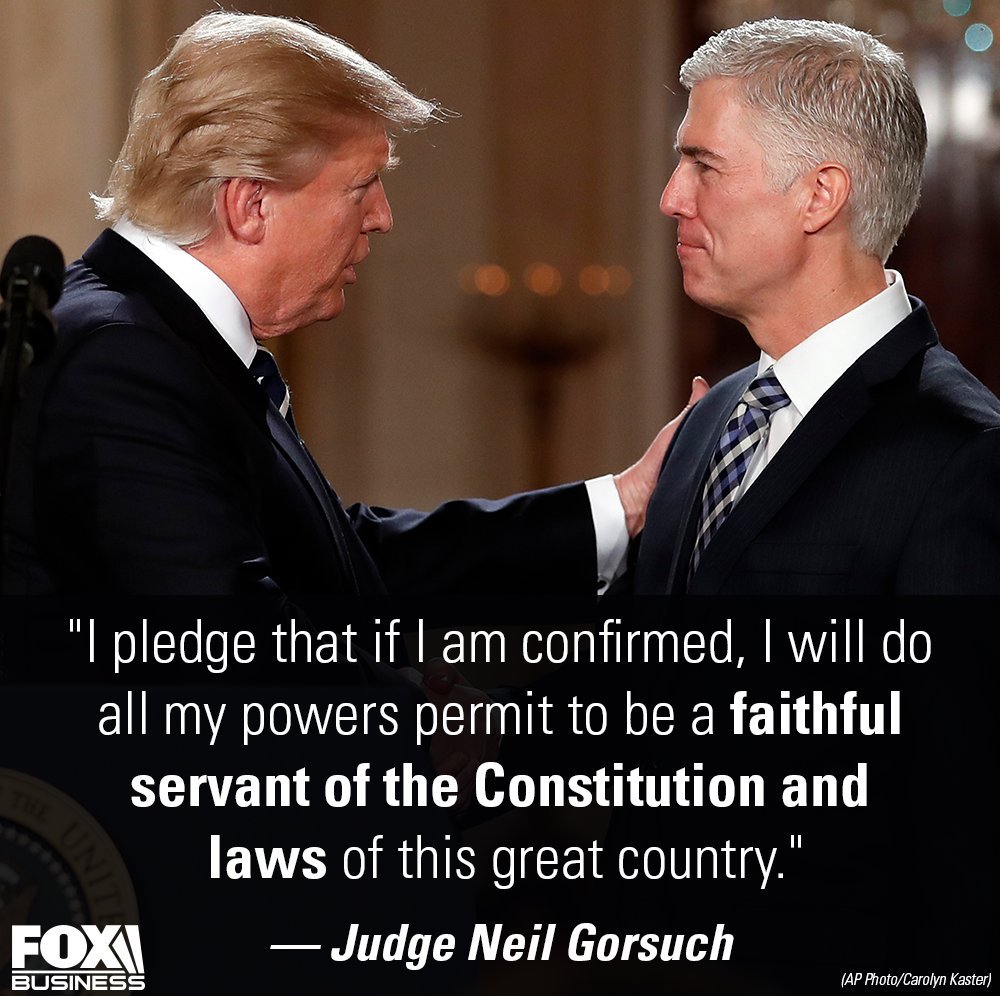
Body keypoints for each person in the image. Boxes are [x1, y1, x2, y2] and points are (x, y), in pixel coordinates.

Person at [0, 11, 703, 597]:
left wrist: (625, 503)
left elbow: (339, 567)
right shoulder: (124, 363)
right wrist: (427, 712)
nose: (383, 218)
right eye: (361, 186)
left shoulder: (160, 338)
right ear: (251, 204)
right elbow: (225, 668)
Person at [632, 17, 1000, 595]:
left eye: (705, 165)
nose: (671, 198)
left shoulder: (966, 452)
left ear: (820, 196)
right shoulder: (708, 419)